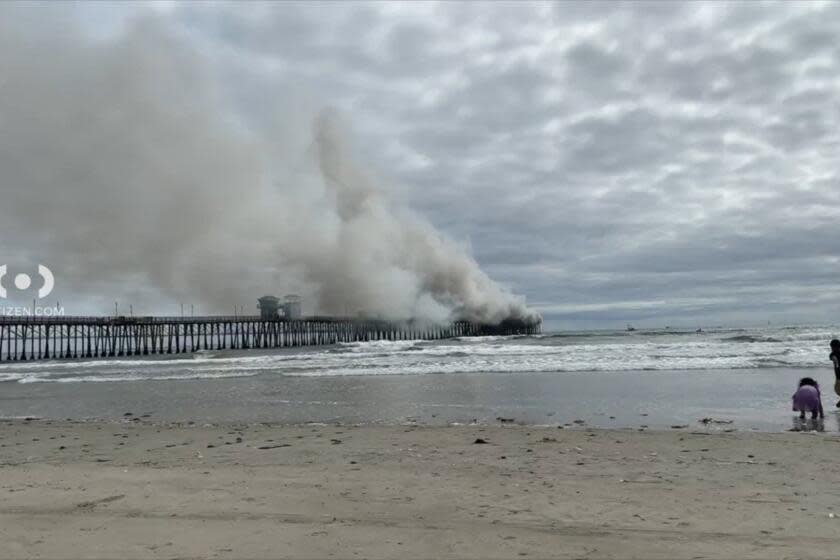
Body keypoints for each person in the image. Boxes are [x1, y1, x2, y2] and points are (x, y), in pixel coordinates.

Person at [831, 339, 840, 407]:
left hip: (838, 374)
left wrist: (836, 362)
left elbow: (833, 358)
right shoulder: (833, 354)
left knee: (837, 389)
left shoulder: (833, 353)